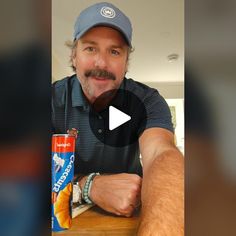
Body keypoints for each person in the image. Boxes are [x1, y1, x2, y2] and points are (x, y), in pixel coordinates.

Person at [52, 2, 184, 235]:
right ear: (74, 55)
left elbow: (161, 155)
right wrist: (87, 186)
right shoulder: (49, 100)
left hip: (133, 218)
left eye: (114, 51)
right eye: (90, 49)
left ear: (126, 62)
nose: (101, 63)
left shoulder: (147, 101)